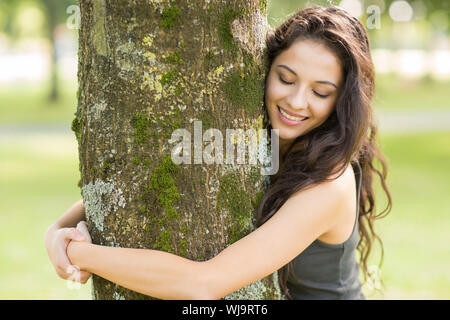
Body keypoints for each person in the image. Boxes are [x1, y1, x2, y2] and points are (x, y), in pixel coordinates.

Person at [45, 5, 392, 300]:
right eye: (286, 78)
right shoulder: (258, 140)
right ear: (265, 69)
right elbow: (95, 204)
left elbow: (203, 283)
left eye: (320, 92)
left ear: (341, 102)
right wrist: (57, 233)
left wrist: (78, 252)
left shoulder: (331, 183)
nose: (296, 101)